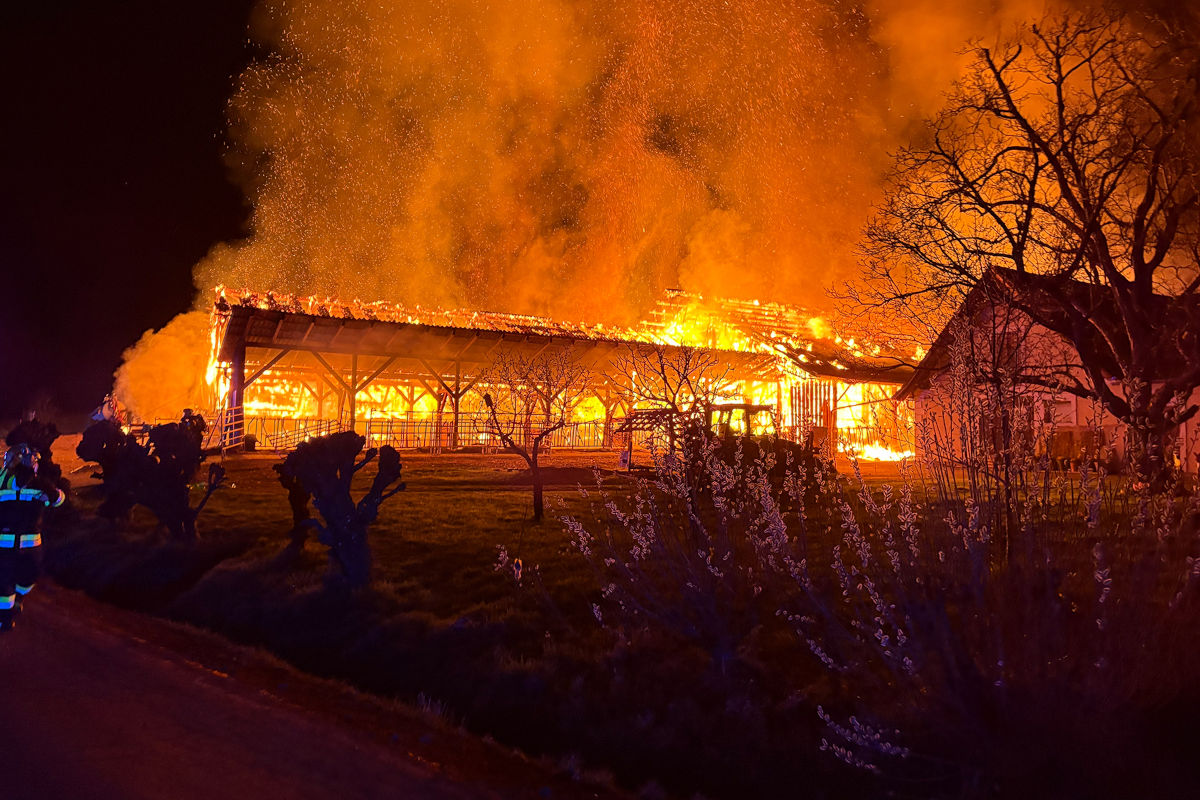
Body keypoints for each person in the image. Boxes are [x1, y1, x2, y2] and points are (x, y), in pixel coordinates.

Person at [0, 443, 66, 632]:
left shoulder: (39, 483)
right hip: (5, 543)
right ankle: (5, 619)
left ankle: (17, 601)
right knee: (4, 583)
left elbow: (59, 500)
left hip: (30, 544)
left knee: (28, 577)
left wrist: (49, 489)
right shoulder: (2, 478)